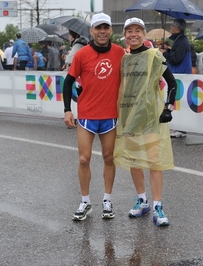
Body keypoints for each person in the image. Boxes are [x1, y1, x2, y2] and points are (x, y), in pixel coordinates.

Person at [114, 17, 176, 227]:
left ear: (144, 34)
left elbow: (172, 82)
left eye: (137, 30)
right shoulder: (123, 59)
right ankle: (142, 201)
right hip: (129, 117)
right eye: (129, 30)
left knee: (153, 161)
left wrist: (168, 108)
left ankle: (158, 206)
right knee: (134, 159)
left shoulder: (154, 55)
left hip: (150, 116)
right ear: (125, 35)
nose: (133, 34)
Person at [63, 13, 125, 221]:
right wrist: (67, 109)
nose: (102, 31)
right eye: (98, 28)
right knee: (84, 158)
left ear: (110, 30)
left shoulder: (119, 53)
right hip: (87, 116)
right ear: (91, 31)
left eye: (105, 27)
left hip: (110, 116)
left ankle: (107, 200)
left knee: (109, 158)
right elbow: (68, 81)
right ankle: (85, 201)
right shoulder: (82, 54)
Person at [160, 18, 191, 138]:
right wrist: (168, 50)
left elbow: (175, 59)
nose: (170, 27)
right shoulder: (180, 40)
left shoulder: (181, 41)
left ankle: (181, 129)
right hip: (180, 74)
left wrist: (165, 53)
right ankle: (180, 128)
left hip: (180, 74)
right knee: (178, 102)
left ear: (177, 28)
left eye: (172, 25)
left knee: (179, 102)